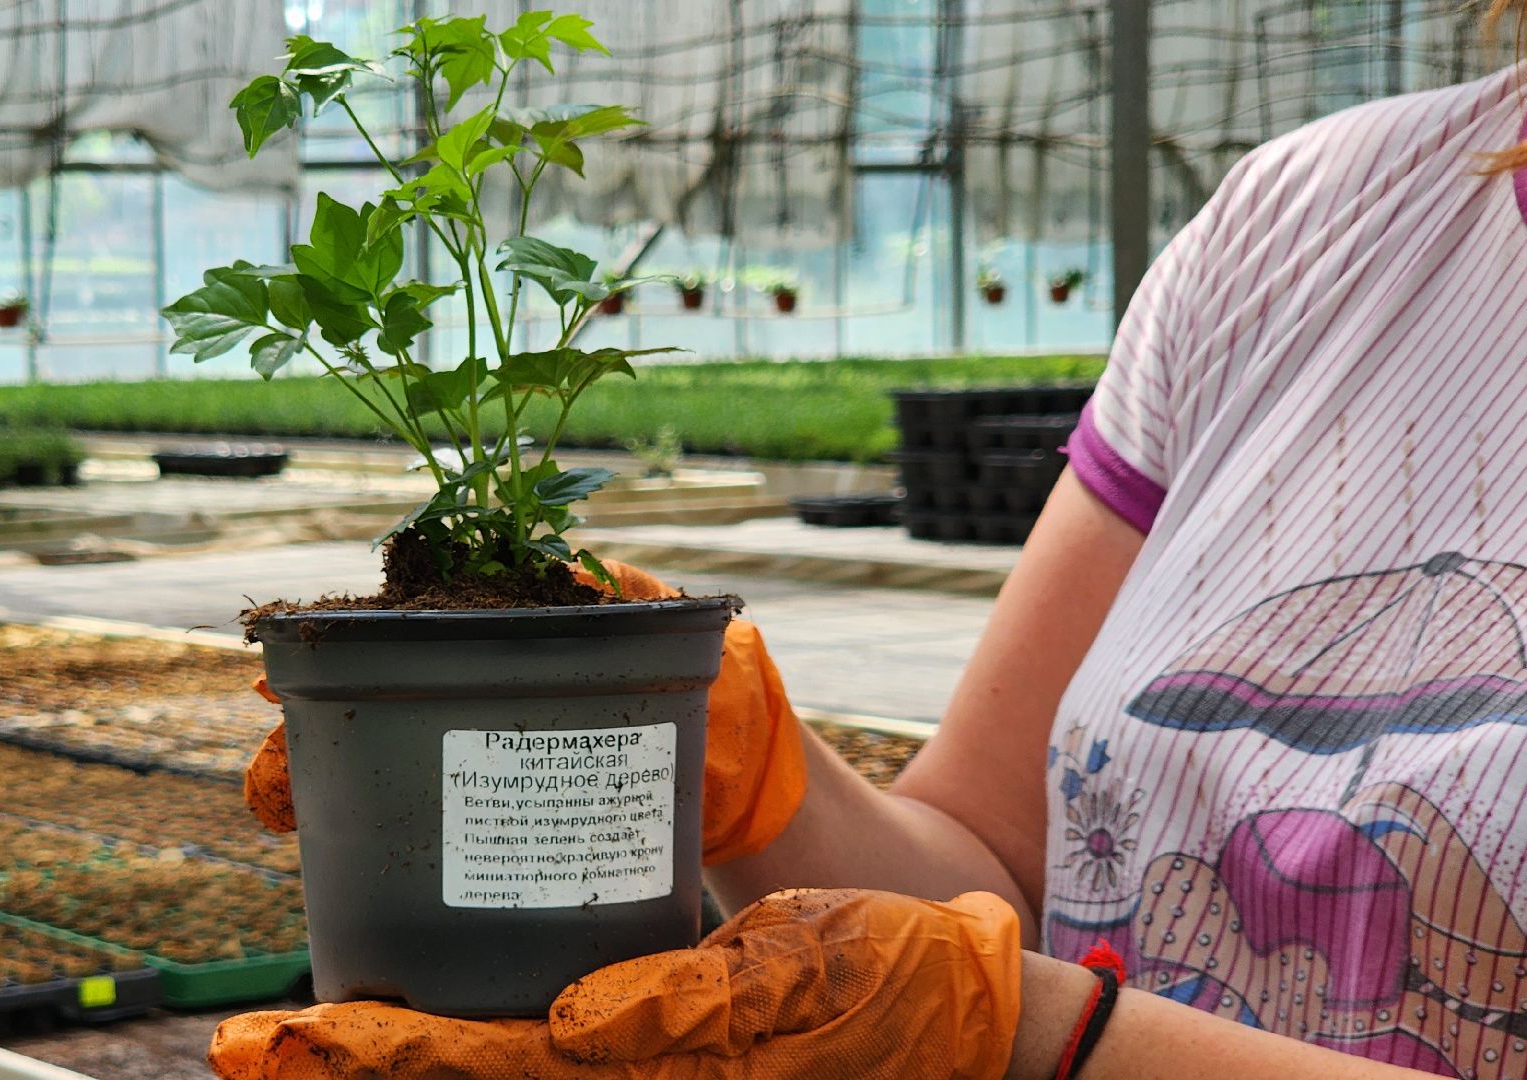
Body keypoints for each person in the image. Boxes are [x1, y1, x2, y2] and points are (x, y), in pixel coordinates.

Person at [211, 9, 1527, 1076]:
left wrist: (1034, 1037)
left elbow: (988, 986)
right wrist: (746, 763)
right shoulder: (1310, 222)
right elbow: (992, 869)